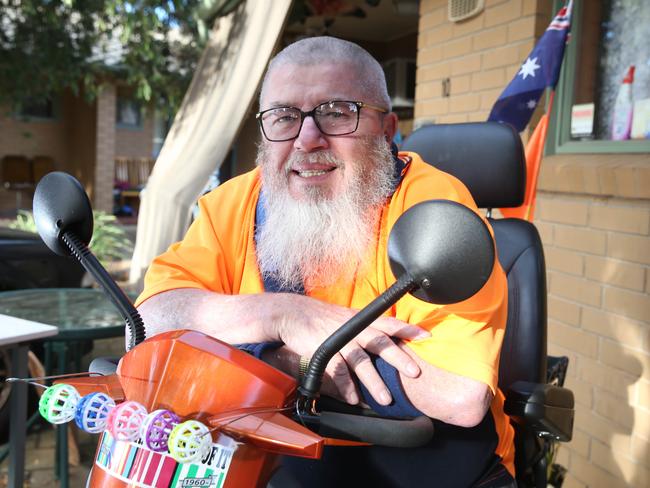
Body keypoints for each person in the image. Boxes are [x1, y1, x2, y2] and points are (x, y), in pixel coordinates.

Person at [135, 36, 514, 487]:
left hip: (426, 468)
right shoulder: (231, 203)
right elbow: (150, 320)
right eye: (283, 117)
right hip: (272, 459)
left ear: (387, 129)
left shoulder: (436, 211)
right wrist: (281, 314)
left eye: (337, 112)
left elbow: (457, 395)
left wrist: (259, 355)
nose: (306, 140)